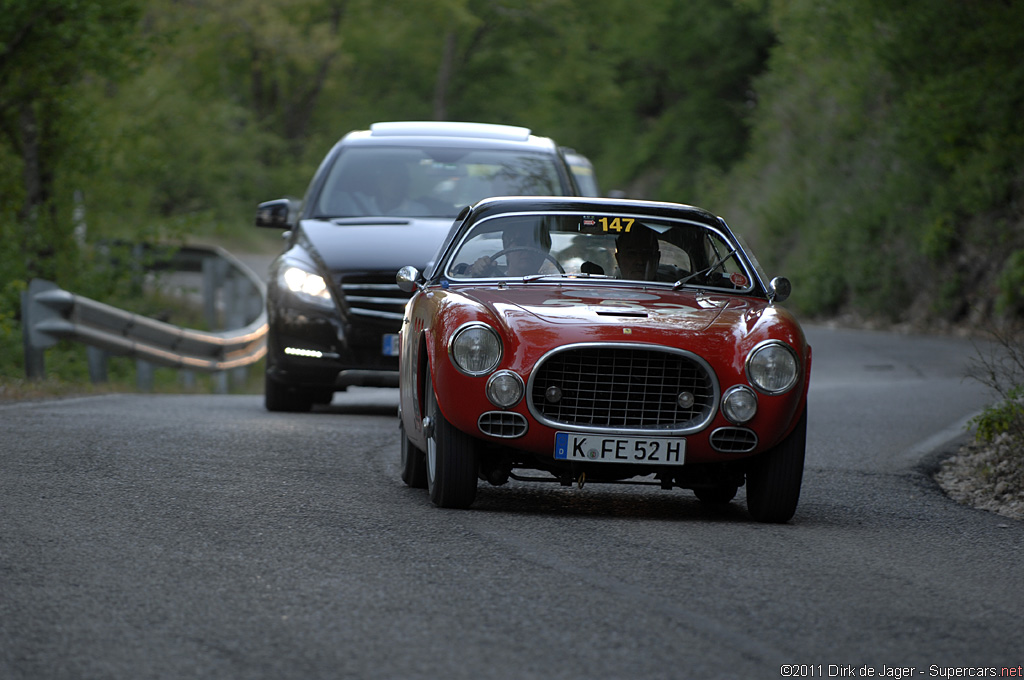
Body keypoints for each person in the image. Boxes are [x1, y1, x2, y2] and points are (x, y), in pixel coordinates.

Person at [466, 220, 555, 277]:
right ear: (506, 249)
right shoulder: (489, 281)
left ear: (545, 252)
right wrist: (477, 272)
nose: (528, 249)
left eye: (536, 244)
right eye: (520, 242)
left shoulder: (555, 287)